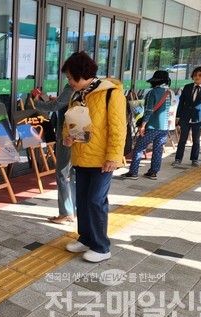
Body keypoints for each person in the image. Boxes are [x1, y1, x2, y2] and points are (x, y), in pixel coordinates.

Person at [61, 51, 126, 263]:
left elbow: (118, 128)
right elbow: (69, 122)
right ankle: (86, 238)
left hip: (102, 159)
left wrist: (113, 157)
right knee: (82, 200)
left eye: (71, 77)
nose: (69, 82)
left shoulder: (110, 93)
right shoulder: (77, 95)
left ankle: (101, 246)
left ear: (82, 74)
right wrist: (67, 138)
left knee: (95, 201)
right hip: (81, 156)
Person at [32, 84, 76, 224]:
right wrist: (59, 100)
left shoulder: (72, 87)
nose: (68, 80)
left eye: (69, 76)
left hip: (67, 137)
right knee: (73, 174)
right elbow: (64, 103)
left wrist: (36, 101)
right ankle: (72, 210)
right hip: (78, 136)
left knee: (62, 173)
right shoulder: (87, 88)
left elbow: (53, 106)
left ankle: (66, 213)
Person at [121, 70, 174, 180]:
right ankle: (153, 172)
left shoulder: (152, 93)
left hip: (151, 127)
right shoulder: (170, 93)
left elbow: (149, 111)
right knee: (158, 150)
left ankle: (133, 172)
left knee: (139, 148)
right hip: (164, 128)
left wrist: (143, 126)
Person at [172, 66, 201, 167]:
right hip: (185, 116)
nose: (197, 77)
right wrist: (178, 116)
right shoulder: (187, 87)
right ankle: (178, 158)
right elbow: (181, 102)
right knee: (182, 139)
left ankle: (194, 159)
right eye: (195, 75)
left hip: (199, 117)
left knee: (196, 140)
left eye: (200, 75)